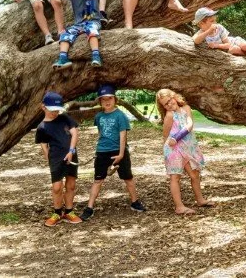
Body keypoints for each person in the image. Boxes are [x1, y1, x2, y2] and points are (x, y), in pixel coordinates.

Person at [80, 84, 146, 220]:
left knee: (128, 178)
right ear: (100, 101)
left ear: (115, 99)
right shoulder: (99, 116)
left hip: (119, 151)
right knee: (98, 180)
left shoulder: (120, 116)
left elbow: (123, 136)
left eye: (109, 98)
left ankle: (135, 202)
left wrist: (121, 154)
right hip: (102, 151)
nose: (107, 101)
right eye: (103, 99)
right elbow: (101, 133)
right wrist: (100, 150)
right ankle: (89, 208)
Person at [156, 89, 213, 215]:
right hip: (174, 149)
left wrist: (177, 137)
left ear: (174, 97)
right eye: (165, 104)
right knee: (175, 177)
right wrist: (167, 151)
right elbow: (165, 136)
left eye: (169, 100)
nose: (169, 104)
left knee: (194, 174)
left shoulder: (186, 108)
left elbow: (189, 125)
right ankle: (179, 207)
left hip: (187, 147)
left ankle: (200, 200)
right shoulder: (169, 116)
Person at [35, 91, 82, 226]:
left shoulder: (64, 118)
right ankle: (57, 212)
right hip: (55, 158)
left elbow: (74, 133)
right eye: (52, 110)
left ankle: (69, 211)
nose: (55, 113)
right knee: (57, 187)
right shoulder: (42, 127)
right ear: (43, 107)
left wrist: (71, 151)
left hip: (71, 155)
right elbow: (44, 145)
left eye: (57, 110)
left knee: (71, 184)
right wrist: (49, 160)